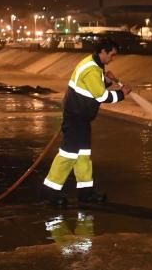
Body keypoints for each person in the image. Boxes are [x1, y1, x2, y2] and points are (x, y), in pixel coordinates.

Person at [43, 38, 130, 206]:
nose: (113, 59)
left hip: (81, 119)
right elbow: (102, 96)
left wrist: (108, 81)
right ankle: (50, 192)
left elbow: (93, 88)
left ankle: (86, 192)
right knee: (67, 156)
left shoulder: (95, 65)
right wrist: (121, 93)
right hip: (75, 118)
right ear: (103, 52)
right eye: (111, 55)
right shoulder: (91, 69)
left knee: (83, 156)